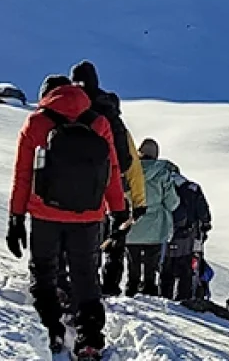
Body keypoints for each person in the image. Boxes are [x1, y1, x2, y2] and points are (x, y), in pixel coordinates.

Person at [6, 75, 127, 360]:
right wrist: (119, 211)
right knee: (86, 276)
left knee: (44, 272)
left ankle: (53, 328)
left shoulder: (36, 123)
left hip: (44, 213)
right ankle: (90, 341)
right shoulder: (98, 122)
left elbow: (23, 175)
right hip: (88, 216)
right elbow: (110, 172)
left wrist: (16, 219)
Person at [70, 61, 148, 297]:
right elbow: (132, 164)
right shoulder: (116, 122)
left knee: (84, 236)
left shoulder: (70, 112)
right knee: (115, 241)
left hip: (78, 188)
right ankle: (111, 286)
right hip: (116, 191)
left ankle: (83, 279)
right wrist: (139, 201)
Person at [123, 138, 180, 297]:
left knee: (132, 264)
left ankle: (131, 290)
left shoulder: (129, 171)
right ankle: (149, 291)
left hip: (132, 224)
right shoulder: (163, 173)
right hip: (156, 228)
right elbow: (172, 202)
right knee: (151, 266)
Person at [160, 161, 212, 301]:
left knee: (165, 272)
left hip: (163, 236)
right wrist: (205, 226)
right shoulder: (192, 188)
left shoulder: (159, 185)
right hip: (188, 238)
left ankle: (164, 299)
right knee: (186, 272)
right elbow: (204, 214)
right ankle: (184, 302)